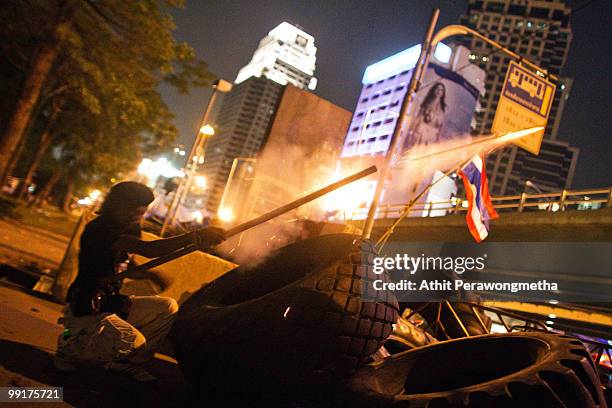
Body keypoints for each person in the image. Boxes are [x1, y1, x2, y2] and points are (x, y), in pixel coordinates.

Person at [54, 181, 226, 381]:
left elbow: (127, 263)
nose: (138, 217)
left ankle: (125, 363)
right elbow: (149, 249)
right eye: (134, 212)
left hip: (109, 303)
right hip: (87, 305)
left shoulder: (125, 228)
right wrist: (194, 237)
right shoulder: (102, 229)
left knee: (167, 307)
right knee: (132, 341)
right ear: (117, 205)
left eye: (141, 212)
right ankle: (69, 347)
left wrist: (150, 275)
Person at [404, 82, 447, 149]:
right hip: (422, 131)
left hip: (432, 135)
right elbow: (419, 117)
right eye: (437, 89)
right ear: (434, 90)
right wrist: (413, 131)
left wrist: (438, 140)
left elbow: (441, 126)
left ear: (443, 93)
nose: (439, 91)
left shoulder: (443, 108)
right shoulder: (426, 103)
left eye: (441, 90)